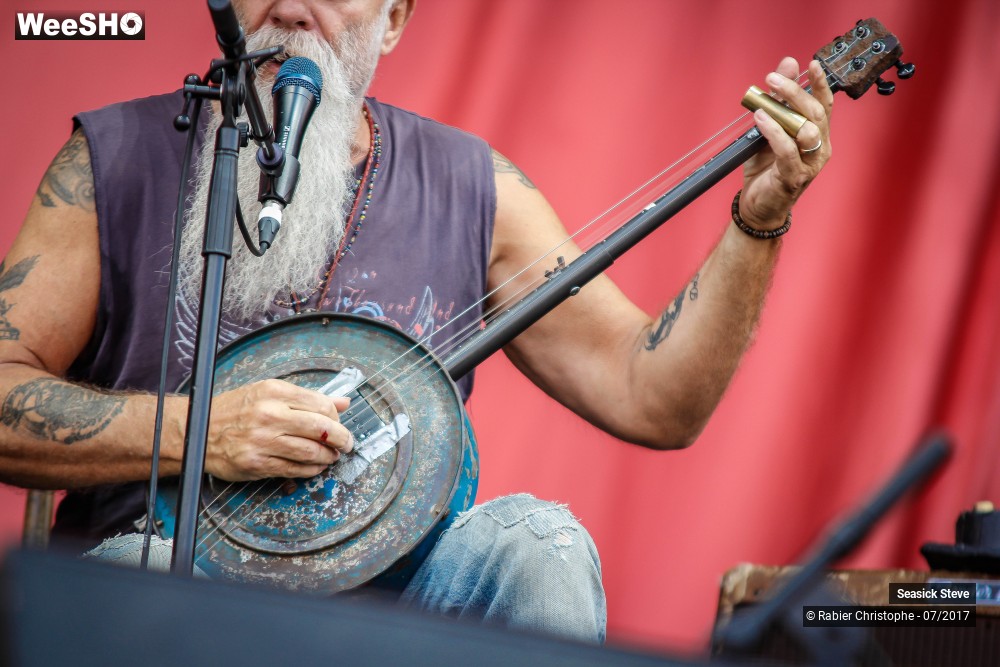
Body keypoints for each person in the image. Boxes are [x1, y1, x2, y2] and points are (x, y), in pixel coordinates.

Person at [0, 0, 832, 644]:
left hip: (398, 607)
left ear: (394, 19)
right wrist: (198, 431)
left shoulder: (474, 187)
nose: (291, 6)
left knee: (539, 547)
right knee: (129, 570)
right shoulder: (112, 161)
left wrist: (757, 221)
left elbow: (653, 396)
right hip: (167, 584)